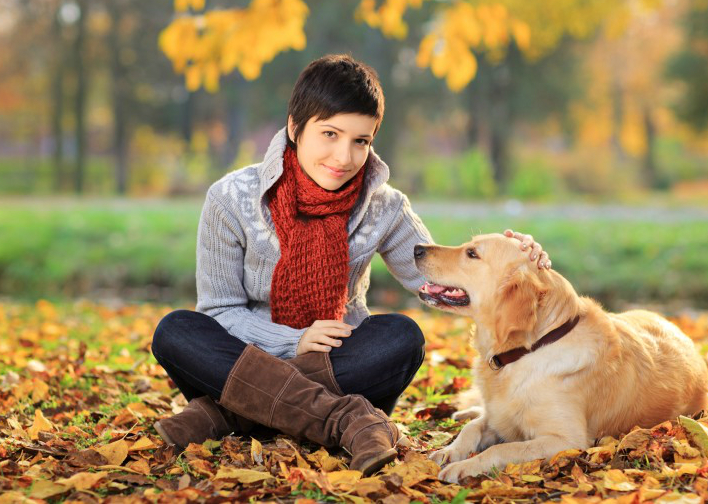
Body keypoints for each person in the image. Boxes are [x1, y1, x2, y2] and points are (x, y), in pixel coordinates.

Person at [150, 53, 551, 475]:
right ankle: (346, 420)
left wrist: (517, 265)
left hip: (328, 363)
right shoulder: (232, 199)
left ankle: (224, 415)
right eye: (330, 134)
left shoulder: (384, 206)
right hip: (254, 358)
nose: (343, 156)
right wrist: (295, 341)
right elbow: (219, 312)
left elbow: (436, 277)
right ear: (294, 128)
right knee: (178, 331)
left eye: (360, 141)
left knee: (400, 336)